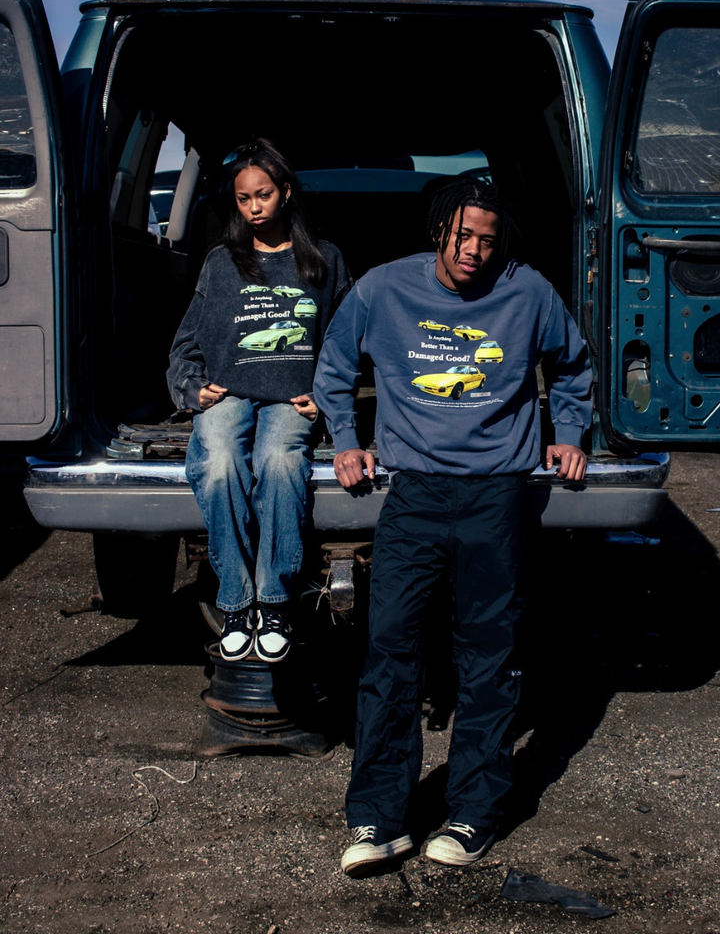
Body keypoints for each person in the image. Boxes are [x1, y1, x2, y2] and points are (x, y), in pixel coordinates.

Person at [313, 178, 592, 876]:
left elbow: (573, 365)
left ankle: (474, 813)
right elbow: (335, 364)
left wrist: (569, 431)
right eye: (463, 236)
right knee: (390, 649)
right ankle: (379, 818)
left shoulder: (528, 292)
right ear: (440, 230)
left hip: (495, 495)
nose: (473, 252)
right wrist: (345, 438)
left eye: (488, 242)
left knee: (488, 655)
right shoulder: (384, 288)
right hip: (414, 493)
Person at [168, 138, 350, 662]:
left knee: (278, 463)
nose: (254, 207)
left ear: (286, 192)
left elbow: (349, 340)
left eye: (263, 194)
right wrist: (191, 387)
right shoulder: (222, 262)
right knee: (219, 462)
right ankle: (235, 600)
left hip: (293, 400)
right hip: (229, 395)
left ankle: (273, 601)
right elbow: (186, 343)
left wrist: (328, 395)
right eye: (243, 198)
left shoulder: (325, 260)